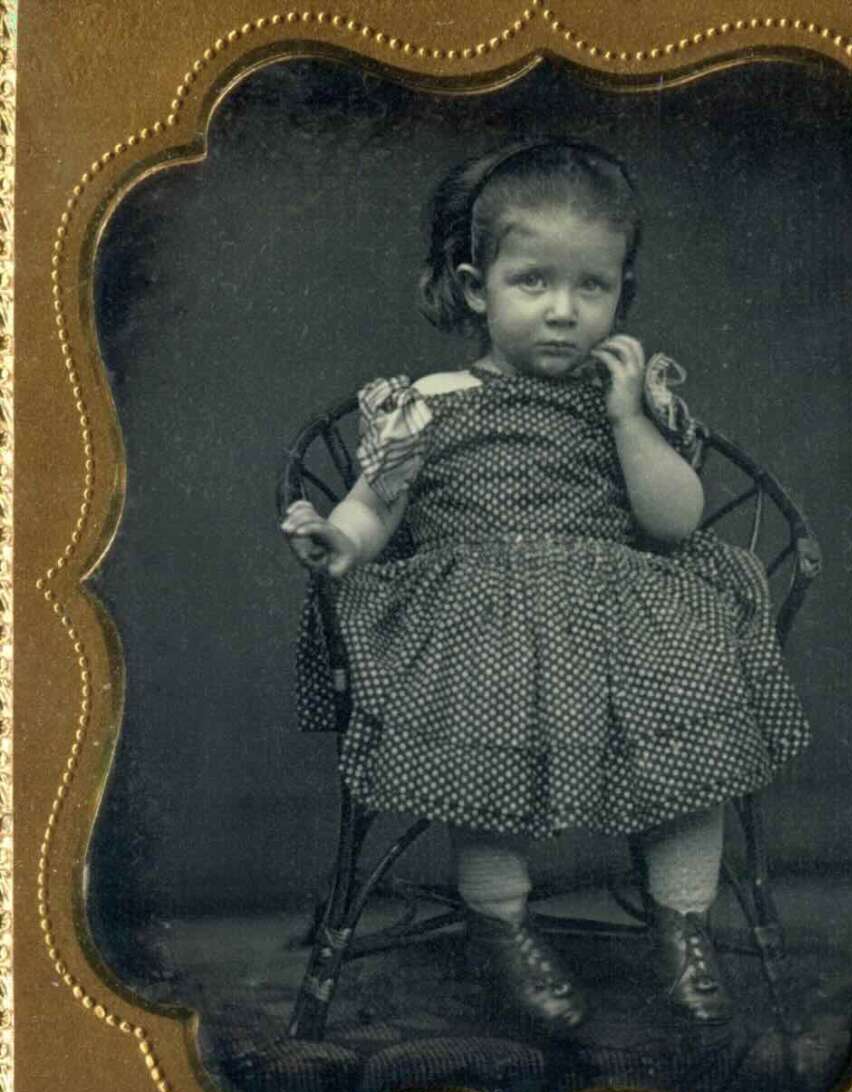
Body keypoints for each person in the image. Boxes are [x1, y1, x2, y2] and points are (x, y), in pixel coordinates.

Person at [282, 138, 809, 1035]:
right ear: (477, 285)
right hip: (475, 613)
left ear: (620, 296)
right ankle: (501, 925)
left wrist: (627, 417)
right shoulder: (427, 401)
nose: (563, 313)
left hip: (618, 614)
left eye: (591, 288)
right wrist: (342, 539)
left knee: (693, 709)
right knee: (479, 726)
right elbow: (376, 505)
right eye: (533, 283)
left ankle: (685, 923)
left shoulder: (629, 401)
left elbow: (677, 522)